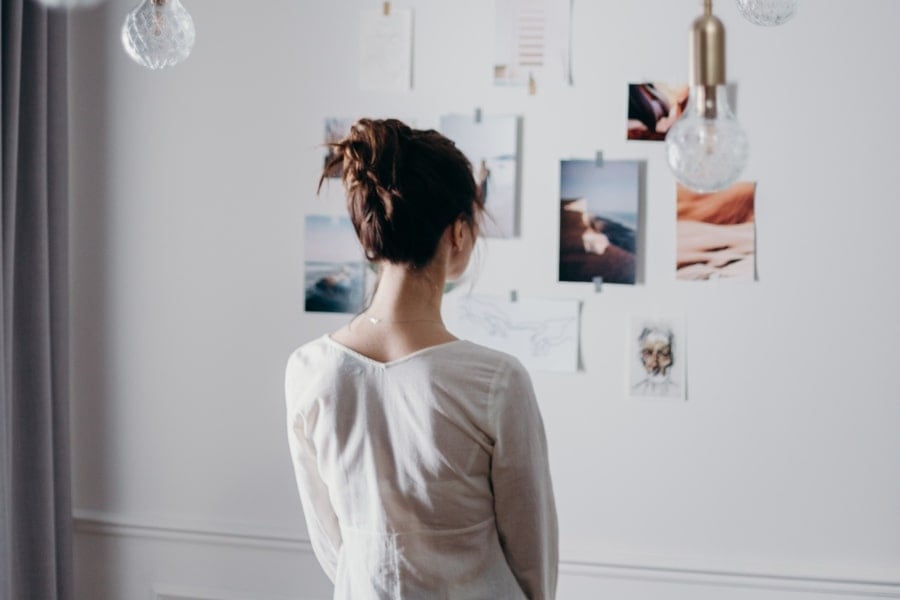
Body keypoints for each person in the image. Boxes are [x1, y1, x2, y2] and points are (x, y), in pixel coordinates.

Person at [285, 118, 558, 599]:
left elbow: (334, 545)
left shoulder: (308, 371)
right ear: (458, 234)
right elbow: (533, 565)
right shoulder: (495, 381)